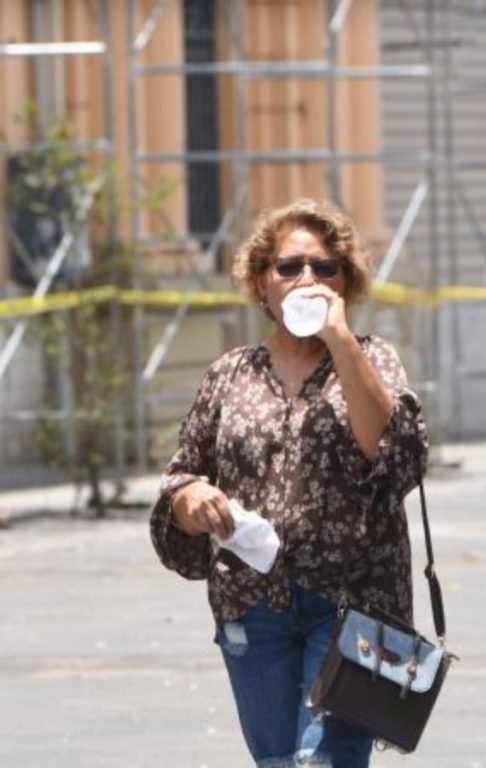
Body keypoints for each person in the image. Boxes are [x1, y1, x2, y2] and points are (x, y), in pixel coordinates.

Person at [150, 198, 427, 767]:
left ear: (346, 283)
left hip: (354, 606)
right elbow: (181, 474)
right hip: (252, 605)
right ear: (261, 283)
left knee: (320, 762)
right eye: (290, 267)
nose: (307, 279)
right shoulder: (230, 373)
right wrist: (189, 498)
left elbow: (396, 456)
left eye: (325, 268)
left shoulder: (373, 358)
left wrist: (340, 341)